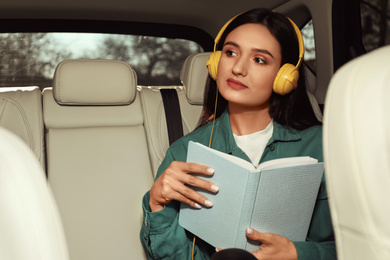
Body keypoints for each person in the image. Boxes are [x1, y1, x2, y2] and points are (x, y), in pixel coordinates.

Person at [140, 8, 336, 260]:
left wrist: (298, 253)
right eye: (231, 53)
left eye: (259, 59)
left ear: (284, 76)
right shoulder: (184, 152)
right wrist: (157, 204)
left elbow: (366, 243)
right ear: (215, 63)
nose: (238, 68)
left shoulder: (324, 145)